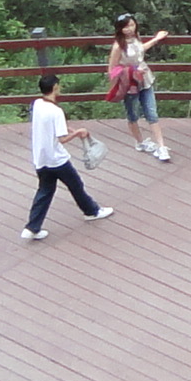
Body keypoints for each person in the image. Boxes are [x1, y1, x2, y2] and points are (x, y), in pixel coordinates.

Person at [23, 76, 110, 239]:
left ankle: (32, 227)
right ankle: (91, 211)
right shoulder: (56, 111)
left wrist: (69, 129)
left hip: (41, 158)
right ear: (55, 87)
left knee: (45, 191)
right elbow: (61, 139)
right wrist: (77, 133)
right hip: (57, 159)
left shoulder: (37, 104)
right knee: (76, 184)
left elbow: (51, 127)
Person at [104, 15, 171, 162]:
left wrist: (156, 39)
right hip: (129, 83)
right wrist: (129, 72)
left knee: (151, 113)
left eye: (132, 25)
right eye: (126, 26)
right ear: (120, 29)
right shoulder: (118, 46)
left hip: (145, 79)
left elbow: (140, 49)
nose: (129, 29)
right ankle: (140, 142)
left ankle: (161, 146)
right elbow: (112, 70)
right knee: (132, 114)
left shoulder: (136, 38)